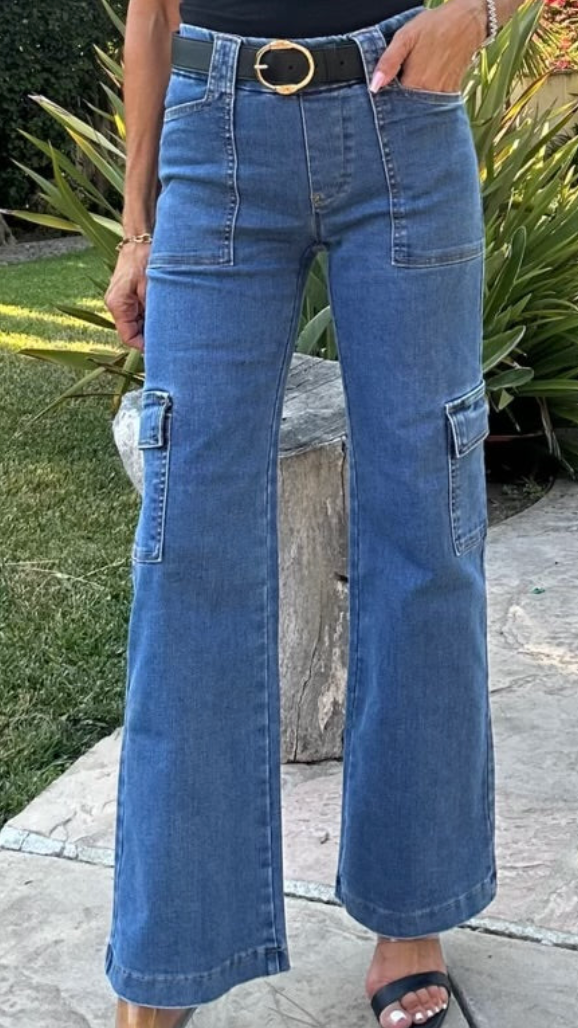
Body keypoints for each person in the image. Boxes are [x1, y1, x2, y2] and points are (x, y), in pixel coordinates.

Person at [103, 0, 520, 1022]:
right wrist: (134, 227)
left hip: (401, 115)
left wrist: (479, 11)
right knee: (185, 542)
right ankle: (173, 943)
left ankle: (411, 916)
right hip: (213, 132)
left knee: (426, 530)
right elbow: (151, 13)